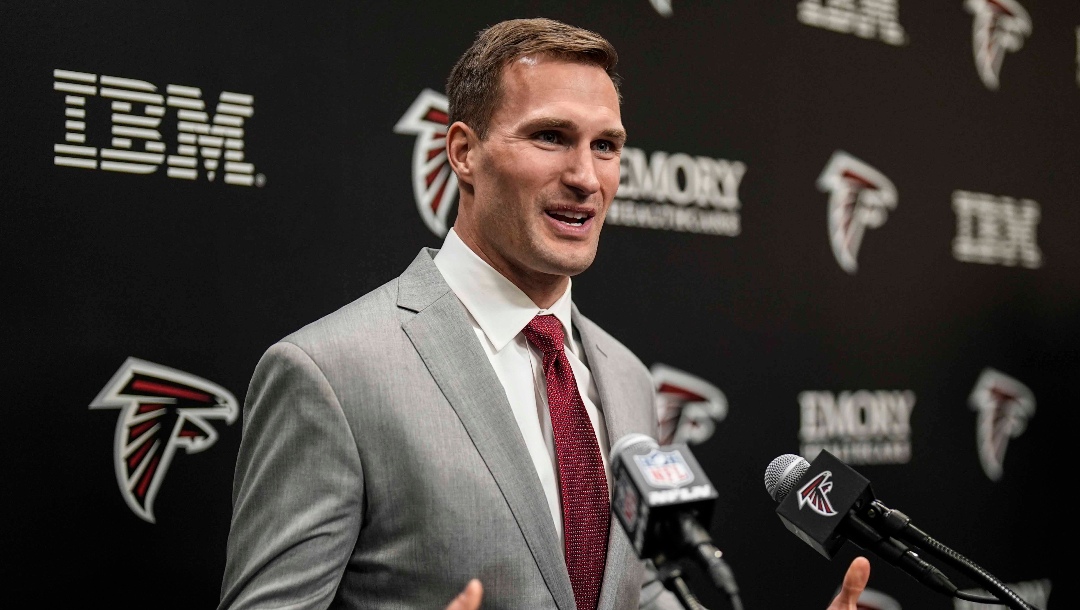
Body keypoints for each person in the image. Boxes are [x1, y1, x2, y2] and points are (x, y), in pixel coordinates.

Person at [218, 17, 871, 610]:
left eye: (606, 146)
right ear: (463, 153)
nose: (586, 176)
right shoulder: (331, 373)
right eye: (552, 137)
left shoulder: (626, 376)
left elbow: (638, 591)